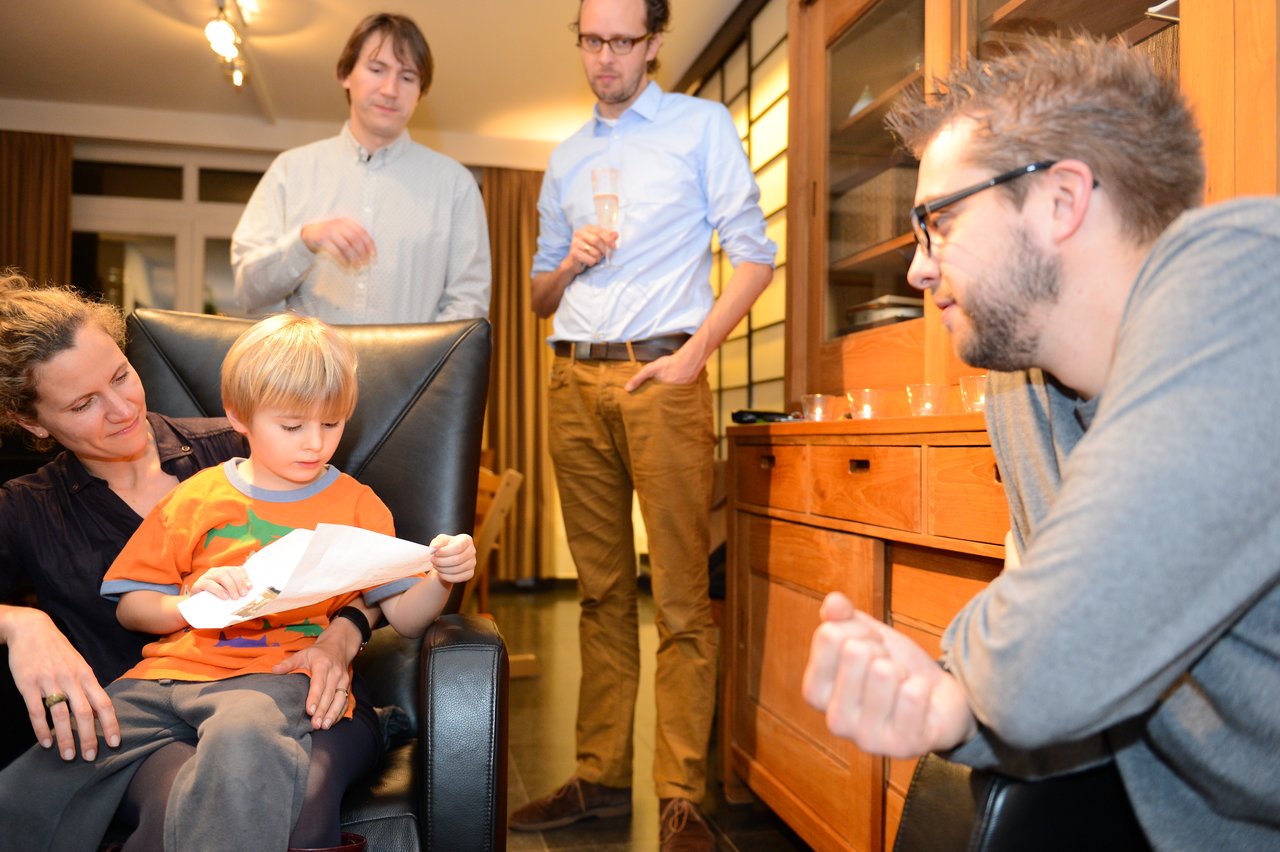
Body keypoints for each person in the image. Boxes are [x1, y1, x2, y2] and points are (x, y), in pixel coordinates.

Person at [801, 36, 1280, 850]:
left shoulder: (1247, 279)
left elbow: (1039, 664)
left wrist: (980, 670)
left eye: (939, 221)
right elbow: (1052, 667)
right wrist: (953, 701)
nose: (917, 270)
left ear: (1061, 200)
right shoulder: (1022, 387)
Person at [0, 292, 475, 851]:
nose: (123, 409)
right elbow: (137, 602)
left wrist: (349, 632)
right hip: (156, 693)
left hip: (281, 689)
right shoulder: (32, 507)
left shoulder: (261, 451)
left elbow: (378, 589)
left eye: (122, 376)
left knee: (242, 766)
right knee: (37, 787)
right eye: (83, 405)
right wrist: (18, 622)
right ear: (31, 422)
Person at [512, 1, 776, 848]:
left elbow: (755, 255)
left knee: (682, 598)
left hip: (665, 374)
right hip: (570, 376)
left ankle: (682, 796)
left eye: (623, 41)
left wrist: (696, 355)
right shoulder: (564, 157)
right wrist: (567, 264)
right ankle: (597, 778)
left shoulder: (701, 127)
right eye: (592, 40)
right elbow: (535, 294)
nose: (605, 58)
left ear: (655, 44)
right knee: (597, 594)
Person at [231, 13, 491, 324]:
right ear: (345, 73)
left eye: (408, 77)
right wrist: (304, 242)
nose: (390, 89)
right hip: (310, 371)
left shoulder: (456, 186)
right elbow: (247, 292)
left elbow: (468, 305)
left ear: (420, 92)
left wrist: (425, 367)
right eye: (377, 69)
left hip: (414, 372)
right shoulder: (290, 171)